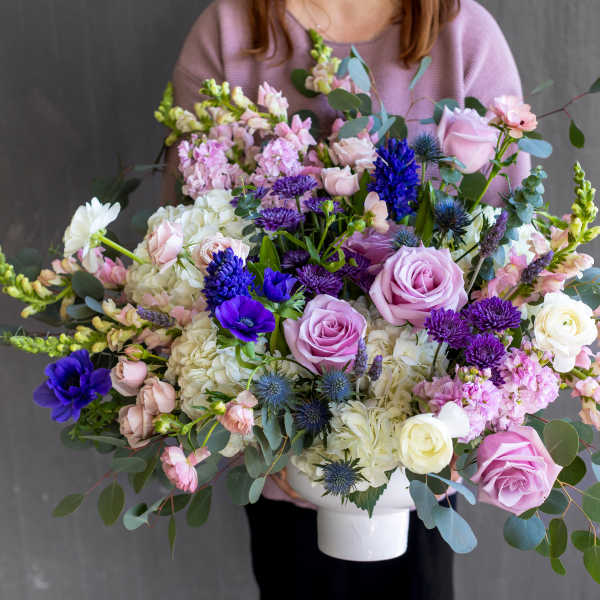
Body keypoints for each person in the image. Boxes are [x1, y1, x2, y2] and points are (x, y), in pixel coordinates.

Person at [164, 1, 531, 598]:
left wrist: (452, 422)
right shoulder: (228, 31)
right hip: (281, 457)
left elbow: (509, 254)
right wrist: (271, 439)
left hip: (423, 460)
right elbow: (186, 247)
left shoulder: (463, 34)